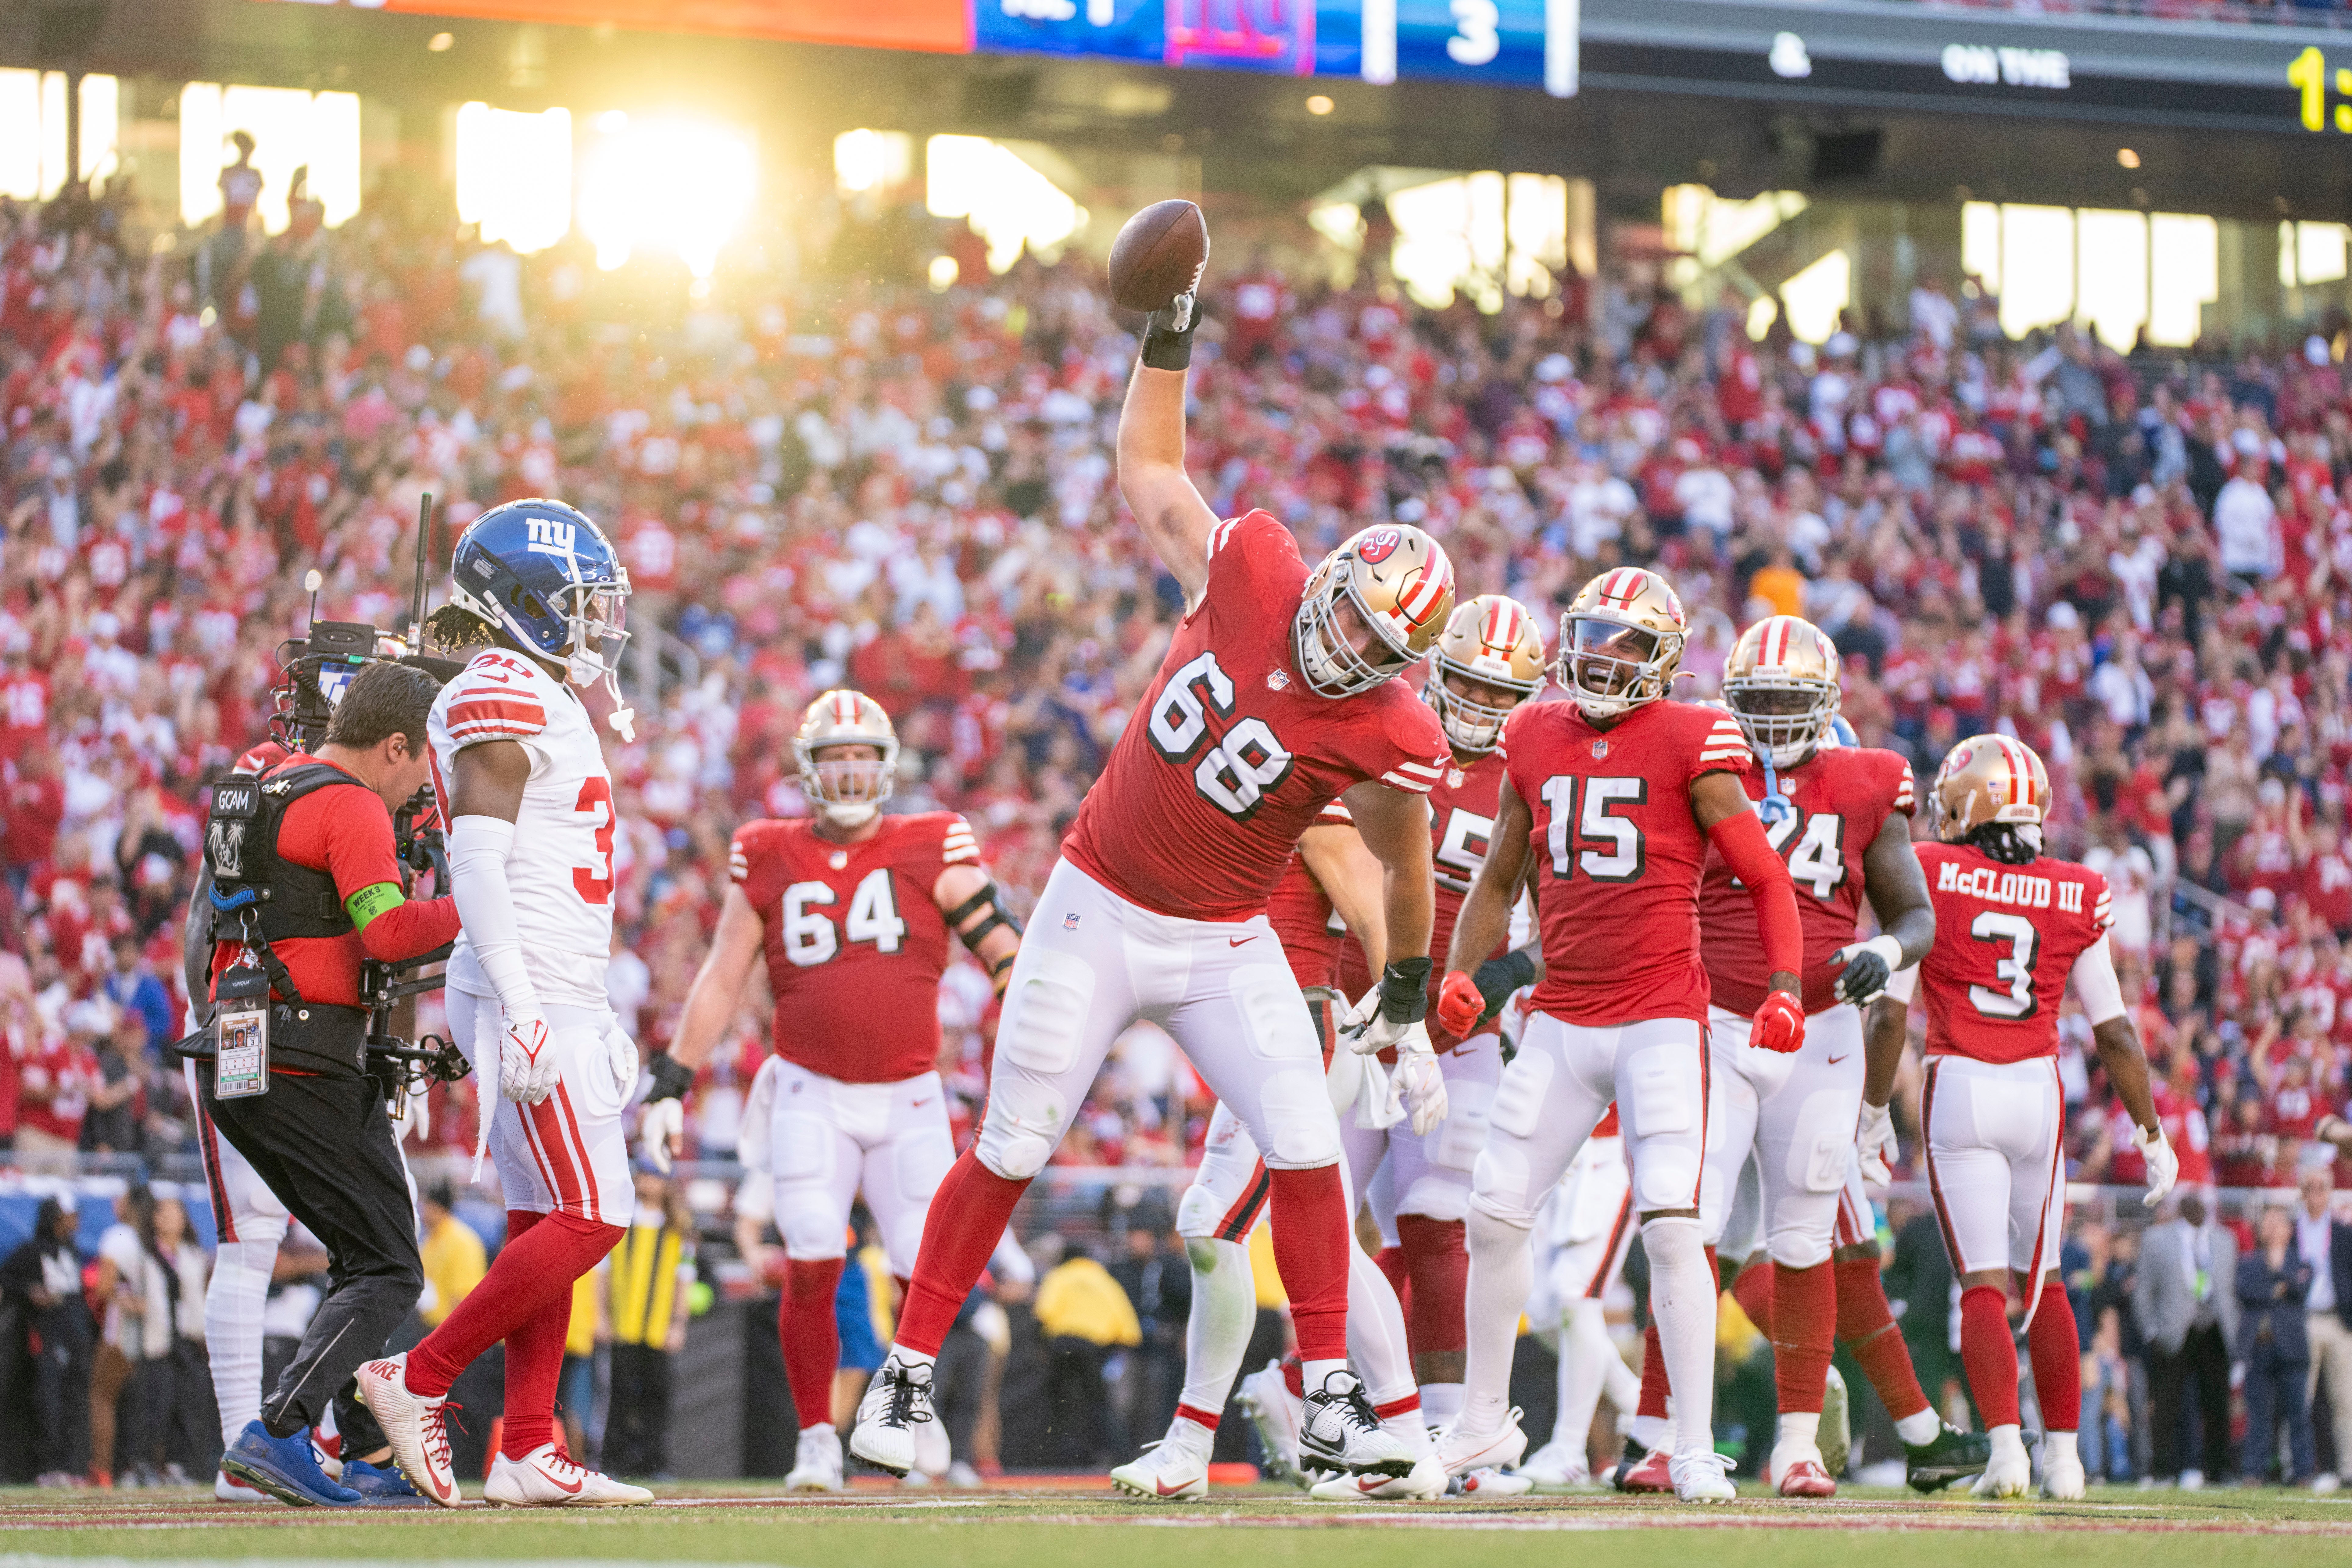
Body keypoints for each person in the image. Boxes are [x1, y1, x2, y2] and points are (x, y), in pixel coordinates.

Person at [847, 261, 1460, 1491]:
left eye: (1376, 650)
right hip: (1095, 903)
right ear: (1327, 579)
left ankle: (1332, 1387)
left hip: (1226, 935)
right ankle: (904, 1377)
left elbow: (1399, 862)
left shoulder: (1388, 727)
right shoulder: (1254, 570)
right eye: (1347, 618)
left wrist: (1400, 995)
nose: (1345, 650)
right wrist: (1169, 337)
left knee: (1302, 1140)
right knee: (1014, 1141)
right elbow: (1146, 469)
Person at [1432, 566, 1810, 1503]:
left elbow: (1766, 878)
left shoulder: (1693, 734)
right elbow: (1498, 875)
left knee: (1677, 1229)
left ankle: (1688, 1443)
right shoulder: (1531, 731)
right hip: (1561, 1016)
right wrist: (1461, 974)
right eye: (1593, 636)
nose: (1602, 659)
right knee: (1492, 1212)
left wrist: (1785, 985)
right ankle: (1482, 1423)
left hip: (1659, 1017)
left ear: (1666, 661)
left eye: (1626, 644)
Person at [647, 688, 1024, 1493]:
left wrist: (1042, 1026)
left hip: (910, 1094)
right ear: (809, 768)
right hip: (811, 1090)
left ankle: (909, 1402)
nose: (850, 772)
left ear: (886, 765)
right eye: (834, 757)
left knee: (923, 1268)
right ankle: (818, 1434)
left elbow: (1003, 952)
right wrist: (673, 1076)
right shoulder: (767, 848)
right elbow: (720, 977)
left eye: (862, 757)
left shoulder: (932, 841)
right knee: (814, 1250)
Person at [358, 498, 653, 1510]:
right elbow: (478, 864)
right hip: (530, 980)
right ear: (520, 602)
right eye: (576, 603)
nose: (595, 620)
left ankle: (527, 1443)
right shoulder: (499, 686)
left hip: (556, 979)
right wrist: (528, 1004)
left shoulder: (528, 684)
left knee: (541, 1213)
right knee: (595, 1212)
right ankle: (418, 1378)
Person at [1675, 616, 1986, 1496]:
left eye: (1789, 699)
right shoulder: (1703, 760)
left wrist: (1882, 956)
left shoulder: (1866, 779)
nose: (1773, 717)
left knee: (1805, 1238)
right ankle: (1679, 1434)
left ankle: (1798, 1444)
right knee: (1688, 1223)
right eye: (1759, 700)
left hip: (1821, 1028)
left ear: (1826, 704)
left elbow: (1913, 915)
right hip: (1716, 1022)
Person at [1865, 735, 2177, 1500]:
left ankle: (2005, 1451)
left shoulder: (1932, 872)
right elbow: (2112, 1030)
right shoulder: (2077, 888)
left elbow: (1886, 1019)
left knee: (1980, 1284)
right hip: (2037, 1092)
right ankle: (2063, 1460)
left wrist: (1873, 1109)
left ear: (1965, 807)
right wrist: (2150, 1130)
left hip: (1960, 1084)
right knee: (2044, 1280)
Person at [195, 661, 459, 1507]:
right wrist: (488, 905)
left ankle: (363, 1451)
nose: (425, 785)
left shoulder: (267, 774)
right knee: (389, 1261)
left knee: (364, 1248)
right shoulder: (350, 802)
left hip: (235, 1046)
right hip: (302, 1054)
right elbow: (386, 932)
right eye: (424, 763)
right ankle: (277, 1433)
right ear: (395, 744)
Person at [1117, 798, 1430, 1501]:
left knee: (1210, 1220)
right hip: (1259, 1029)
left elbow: (1375, 911)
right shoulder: (1241, 795)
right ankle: (1409, 1438)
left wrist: (1407, 1024)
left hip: (1295, 1021)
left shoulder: (1311, 798)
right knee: (1331, 1248)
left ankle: (1190, 1443)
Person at [1516, 1109, 1641, 1488]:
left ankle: (1569, 1448)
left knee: (1576, 1293)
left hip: (1610, 1147)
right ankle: (1637, 1404)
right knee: (1542, 1312)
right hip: (1554, 1151)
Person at [2136, 1190, 2240, 1487]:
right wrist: (2151, 1330)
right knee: (2167, 1404)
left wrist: (2233, 1328)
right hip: (2174, 1329)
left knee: (2218, 1404)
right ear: (2181, 1207)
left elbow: (2230, 1290)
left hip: (2214, 1327)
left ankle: (2218, 1470)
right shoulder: (2157, 1239)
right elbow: (2144, 1291)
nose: (2199, 1209)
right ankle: (2161, 1469)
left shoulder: (2224, 1239)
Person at [602, 1166, 695, 1479]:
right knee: (620, 1395)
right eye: (645, 1176)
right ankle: (614, 1461)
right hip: (625, 1324)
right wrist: (601, 1315)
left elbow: (685, 1279)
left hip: (658, 1326)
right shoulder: (621, 1220)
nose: (650, 1183)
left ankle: (654, 1463)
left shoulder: (678, 1228)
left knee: (658, 1395)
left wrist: (678, 1323)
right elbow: (603, 1272)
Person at [1, 1196, 91, 1484]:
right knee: (47, 1400)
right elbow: (8, 1281)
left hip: (74, 1339)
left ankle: (71, 1465)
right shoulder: (30, 1252)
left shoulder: (72, 1251)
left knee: (74, 1401)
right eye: (69, 1216)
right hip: (45, 1338)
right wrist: (31, 1291)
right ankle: (47, 1466)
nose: (75, 1222)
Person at [2239, 1202, 2316, 1486]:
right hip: (2259, 1347)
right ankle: (2253, 1471)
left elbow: (2300, 1288)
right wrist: (2279, 1287)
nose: (2271, 1228)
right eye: (2267, 1223)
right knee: (2258, 1416)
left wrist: (2277, 1278)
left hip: (2292, 1347)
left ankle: (2304, 1472)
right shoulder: (2248, 1262)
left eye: (2277, 1222)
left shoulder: (2301, 1261)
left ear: (2288, 1230)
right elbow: (2246, 1291)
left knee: (2298, 1415)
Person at [2293, 1169, 2352, 1490]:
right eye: (2309, 1188)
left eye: (2321, 1188)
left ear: (2329, 1193)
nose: (2315, 1194)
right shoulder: (2293, 1231)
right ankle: (2297, 1466)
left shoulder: (2343, 1231)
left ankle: (2348, 1467)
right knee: (2299, 1397)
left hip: (2338, 1319)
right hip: (2305, 1319)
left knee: (2346, 1399)